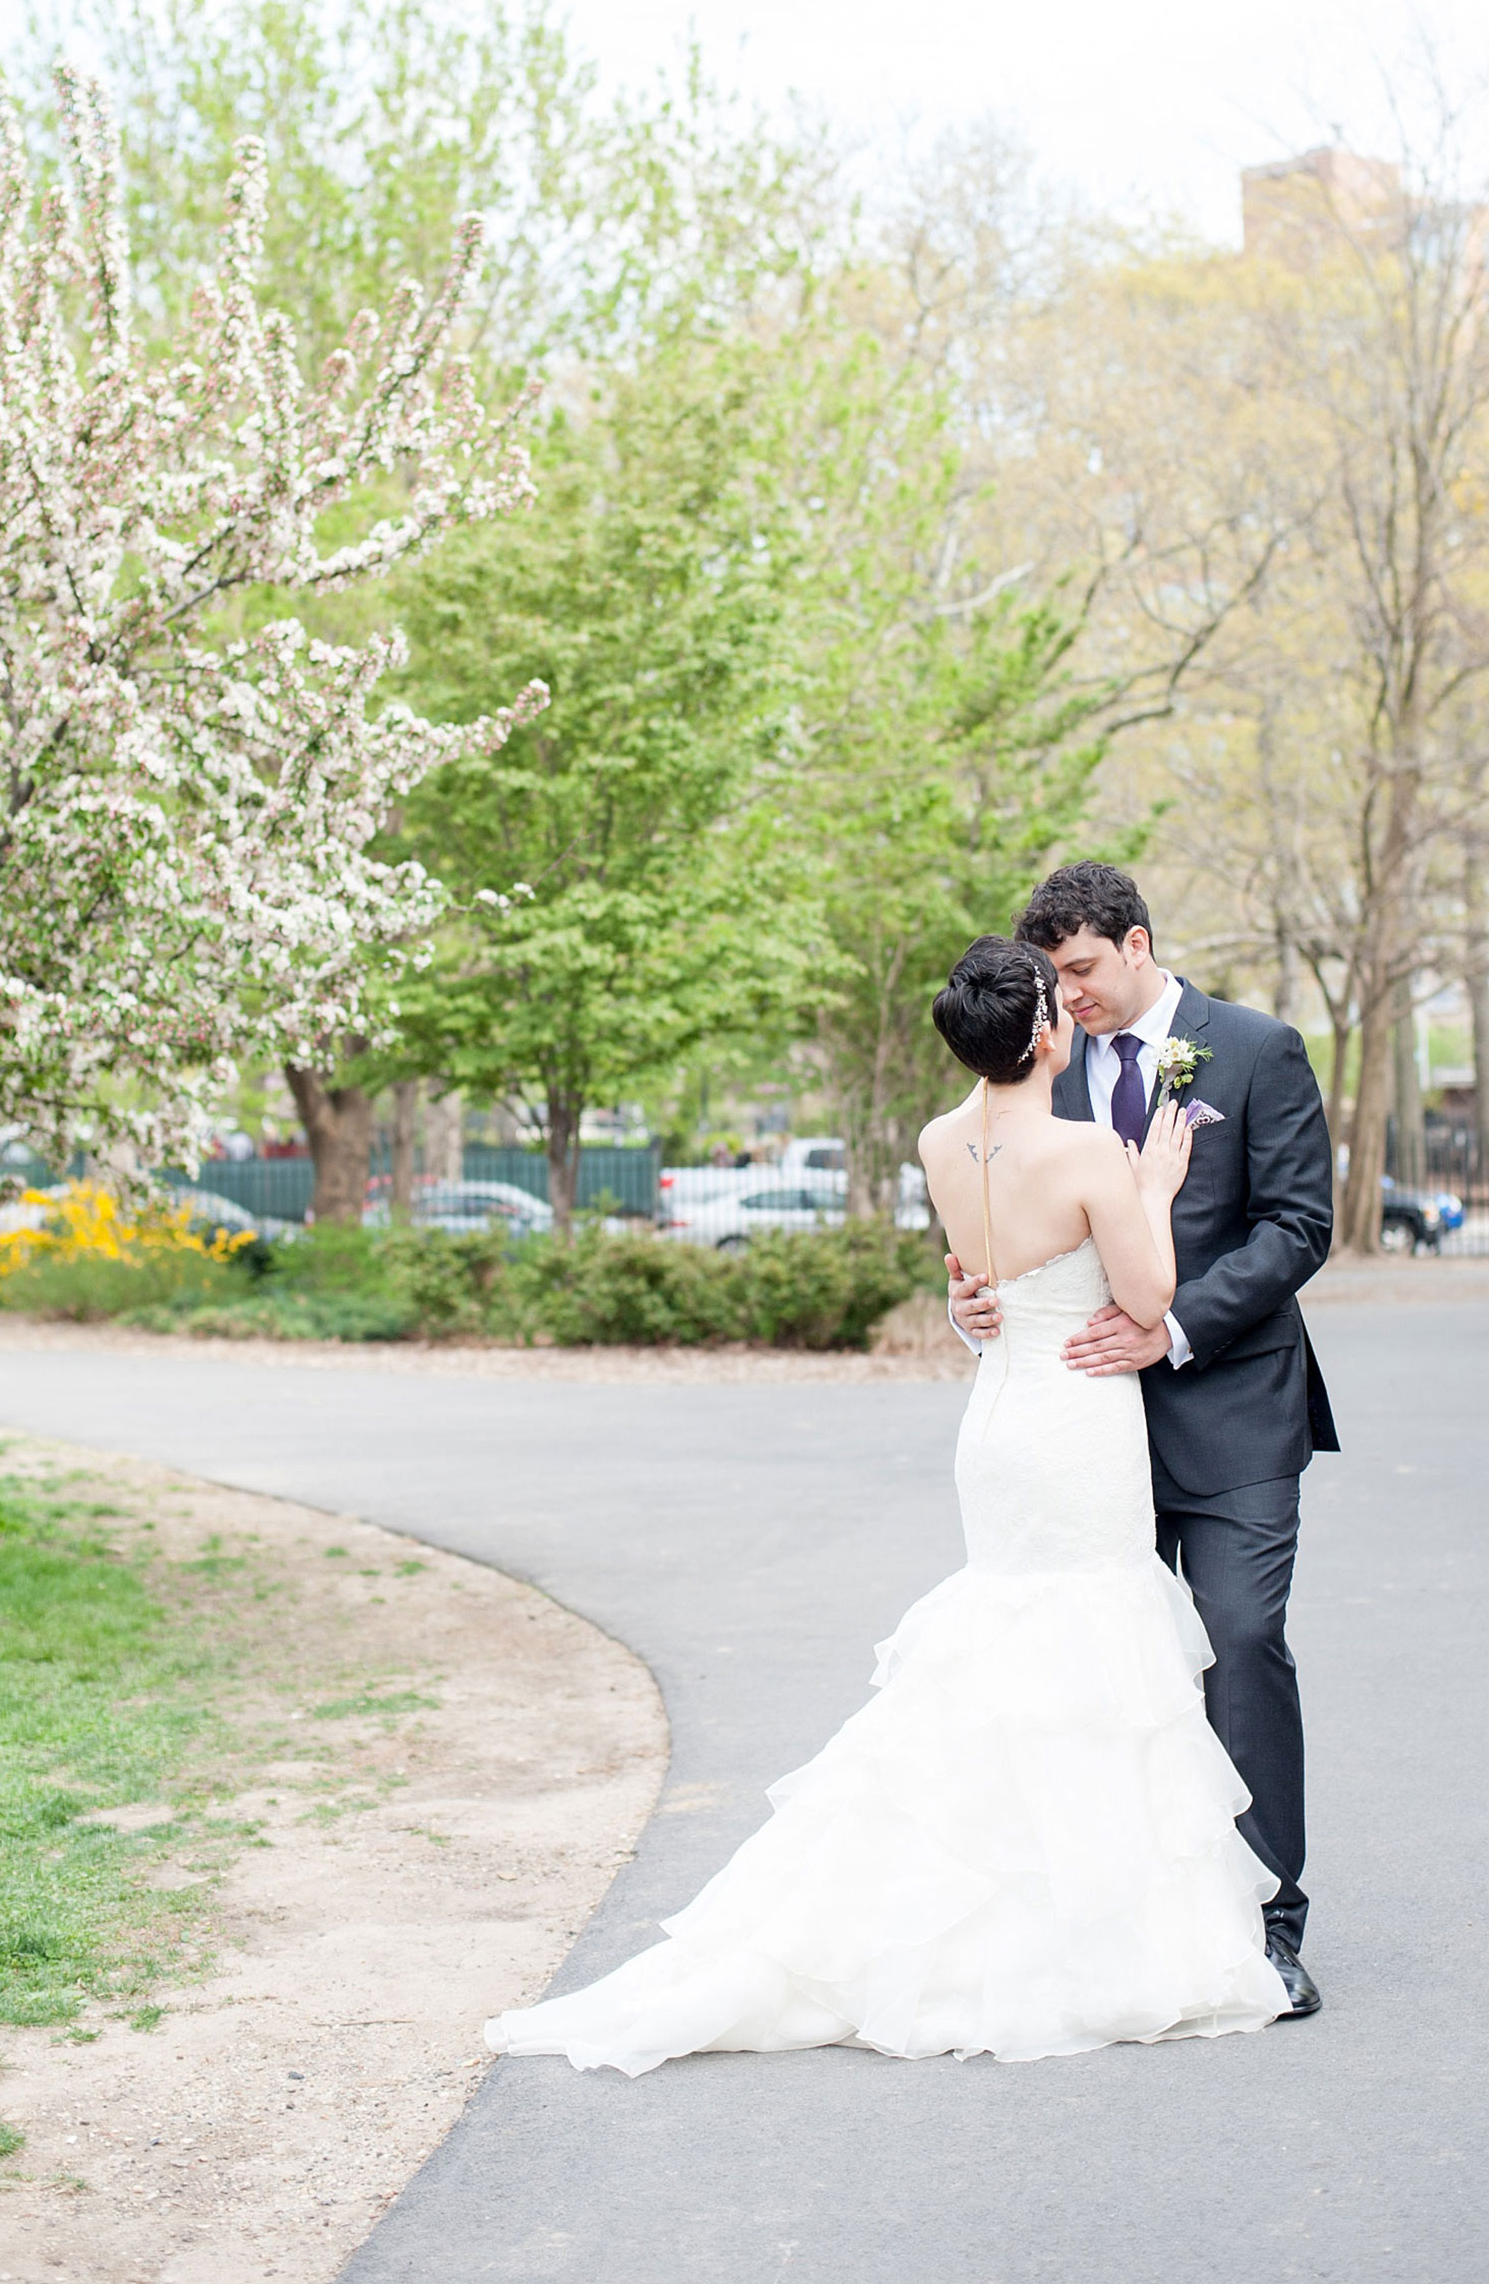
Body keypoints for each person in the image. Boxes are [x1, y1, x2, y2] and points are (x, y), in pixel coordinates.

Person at [485, 935, 1287, 2076]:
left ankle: (977, 1898)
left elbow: (984, 1279)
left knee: (1007, 1642)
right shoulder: (1091, 1152)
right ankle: (1074, 1928)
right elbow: (1146, 1294)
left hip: (996, 1420)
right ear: (1046, 1036)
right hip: (1076, 1420)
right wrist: (1151, 1188)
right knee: (1087, 1649)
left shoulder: (934, 1140)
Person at [947, 863, 1334, 2019]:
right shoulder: (1037, 1075)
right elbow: (1002, 1236)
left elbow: (1296, 1225)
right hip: (1083, 1434)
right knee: (1100, 1666)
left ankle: (1268, 1917)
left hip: (1231, 1413)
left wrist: (1168, 1326)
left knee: (1239, 1640)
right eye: (1051, 981)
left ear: (1136, 943)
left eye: (1079, 971)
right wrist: (973, 1308)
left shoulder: (1256, 1048)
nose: (1068, 1000)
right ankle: (1118, 1916)